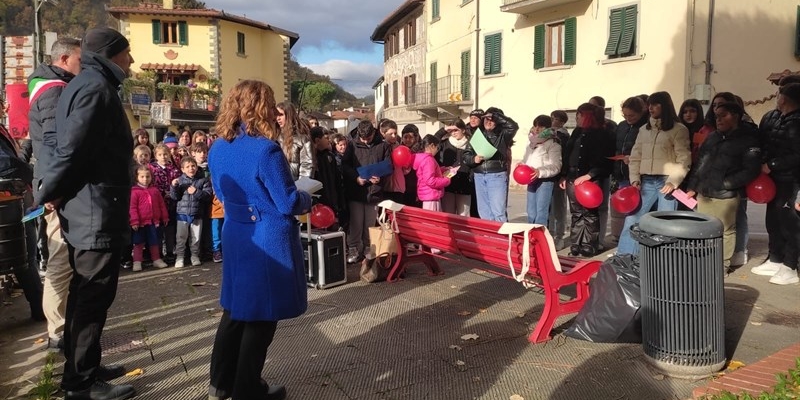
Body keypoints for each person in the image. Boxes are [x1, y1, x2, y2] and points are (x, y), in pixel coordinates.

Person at [35, 27, 136, 399]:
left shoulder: (85, 83)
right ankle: (81, 384)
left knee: (85, 295)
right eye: (127, 54)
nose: (132, 61)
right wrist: (50, 192)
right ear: (111, 54)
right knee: (91, 298)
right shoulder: (95, 88)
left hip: (90, 208)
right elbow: (74, 151)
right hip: (95, 210)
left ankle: (86, 367)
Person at [207, 79, 311, 400]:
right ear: (261, 108)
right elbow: (288, 202)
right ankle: (247, 389)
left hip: (237, 234)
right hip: (268, 240)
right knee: (262, 318)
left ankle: (219, 384)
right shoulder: (265, 150)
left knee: (235, 311)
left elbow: (222, 193)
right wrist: (308, 197)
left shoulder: (218, 146)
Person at [27, 37, 81, 349]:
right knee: (61, 260)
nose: (82, 65)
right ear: (63, 59)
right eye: (78, 59)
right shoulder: (54, 90)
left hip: (53, 185)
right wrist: (55, 188)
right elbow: (54, 143)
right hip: (56, 190)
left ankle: (62, 328)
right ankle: (58, 332)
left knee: (62, 259)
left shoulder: (49, 85)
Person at [685, 102, 761, 271]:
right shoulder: (712, 137)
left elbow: (750, 170)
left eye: (723, 115)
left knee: (725, 230)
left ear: (736, 116)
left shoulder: (747, 139)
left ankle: (722, 265)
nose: (719, 120)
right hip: (705, 192)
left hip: (726, 194)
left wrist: (726, 184)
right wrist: (693, 186)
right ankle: (703, 263)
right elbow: (700, 164)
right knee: (704, 229)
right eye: (717, 116)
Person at [617, 91, 691, 255]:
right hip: (646, 182)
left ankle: (663, 259)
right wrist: (634, 179)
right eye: (649, 104)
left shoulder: (679, 129)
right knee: (632, 218)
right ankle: (624, 258)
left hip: (666, 183)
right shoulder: (644, 129)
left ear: (665, 106)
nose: (651, 108)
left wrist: (673, 181)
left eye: (655, 104)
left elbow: (684, 158)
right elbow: (636, 156)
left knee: (665, 223)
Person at [751, 82, 800, 285]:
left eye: (778, 94)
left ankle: (790, 266)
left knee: (791, 224)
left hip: (792, 180)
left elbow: (797, 154)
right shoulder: (775, 117)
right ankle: (775, 258)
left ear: (785, 98)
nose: (776, 96)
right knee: (773, 221)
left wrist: (772, 164)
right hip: (774, 180)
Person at [1, 95, 44, 324]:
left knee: (27, 254)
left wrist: (26, 145)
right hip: (9, 203)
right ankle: (39, 307)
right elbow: (6, 164)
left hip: (17, 199)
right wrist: (32, 174)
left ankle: (39, 306)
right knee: (24, 254)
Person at [559, 103, 614, 256]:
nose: (577, 117)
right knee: (576, 213)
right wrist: (564, 175)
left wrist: (589, 175)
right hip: (572, 177)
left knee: (590, 213)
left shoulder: (602, 133)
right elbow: (568, 155)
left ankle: (589, 244)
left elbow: (605, 160)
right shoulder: (576, 132)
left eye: (580, 115)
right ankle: (576, 243)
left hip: (590, 178)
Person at [341, 121, 392, 266]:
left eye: (368, 139)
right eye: (362, 138)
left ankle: (368, 247)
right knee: (356, 223)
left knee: (370, 223)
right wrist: (356, 178)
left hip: (374, 192)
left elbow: (388, 165)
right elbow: (345, 165)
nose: (365, 141)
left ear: (373, 133)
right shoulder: (351, 144)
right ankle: (354, 248)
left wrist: (380, 177)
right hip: (356, 190)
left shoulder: (383, 145)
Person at [463, 107, 519, 222]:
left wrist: (495, 116)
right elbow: (466, 155)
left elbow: (513, 126)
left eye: (491, 119)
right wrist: (474, 159)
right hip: (479, 175)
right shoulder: (477, 135)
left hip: (496, 175)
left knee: (498, 212)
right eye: (486, 119)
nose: (488, 122)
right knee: (484, 212)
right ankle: (489, 238)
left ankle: (501, 239)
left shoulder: (503, 135)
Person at [170, 156, 212, 268]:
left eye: (193, 166)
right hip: (182, 214)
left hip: (197, 214)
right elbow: (174, 197)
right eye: (187, 167)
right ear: (183, 169)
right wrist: (173, 187)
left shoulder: (203, 180)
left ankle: (195, 256)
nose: (191, 168)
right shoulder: (180, 181)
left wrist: (196, 192)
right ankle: (180, 257)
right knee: (181, 237)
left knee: (196, 237)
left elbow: (207, 195)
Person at [520, 118, 562, 225]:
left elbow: (556, 166)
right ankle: (531, 237)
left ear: (548, 128)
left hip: (545, 181)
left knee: (541, 214)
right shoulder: (531, 144)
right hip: (531, 180)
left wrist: (539, 172)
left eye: (541, 126)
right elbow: (526, 160)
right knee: (531, 213)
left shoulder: (553, 144)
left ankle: (540, 239)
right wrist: (522, 164)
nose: (537, 129)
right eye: (535, 126)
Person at [129, 166, 169, 271]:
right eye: (142, 177)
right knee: (138, 243)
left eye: (147, 176)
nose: (145, 179)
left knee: (154, 241)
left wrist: (164, 217)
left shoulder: (154, 190)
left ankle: (156, 259)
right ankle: (137, 261)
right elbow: (132, 208)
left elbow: (161, 204)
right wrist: (134, 221)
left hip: (153, 221)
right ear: (137, 177)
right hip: (140, 223)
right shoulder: (134, 191)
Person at [149, 144, 180, 264]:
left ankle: (170, 252)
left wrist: (172, 191)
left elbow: (178, 182)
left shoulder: (174, 169)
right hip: (157, 204)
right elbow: (151, 184)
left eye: (165, 154)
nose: (163, 157)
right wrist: (162, 193)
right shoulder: (152, 168)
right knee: (158, 229)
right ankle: (158, 253)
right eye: (160, 154)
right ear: (156, 156)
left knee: (170, 230)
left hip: (172, 204)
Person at [310, 126, 345, 229]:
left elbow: (337, 181)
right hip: (318, 203)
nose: (328, 140)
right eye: (326, 138)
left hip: (331, 201)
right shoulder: (311, 159)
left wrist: (339, 202)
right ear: (317, 140)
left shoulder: (329, 156)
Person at [437, 119, 472, 216]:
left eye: (456, 130)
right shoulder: (445, 143)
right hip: (449, 184)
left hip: (465, 184)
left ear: (463, 130)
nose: (453, 133)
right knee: (448, 214)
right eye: (451, 131)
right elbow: (433, 140)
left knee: (464, 215)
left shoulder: (470, 143)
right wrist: (444, 130)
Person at [548, 110, 570, 248]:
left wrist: (564, 175)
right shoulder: (546, 134)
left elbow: (566, 157)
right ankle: (549, 234)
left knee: (559, 208)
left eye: (555, 119)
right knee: (548, 208)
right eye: (551, 118)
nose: (552, 121)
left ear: (562, 122)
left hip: (558, 175)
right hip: (546, 174)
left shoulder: (564, 136)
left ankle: (559, 236)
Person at [412, 135, 451, 212]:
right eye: (437, 148)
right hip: (431, 195)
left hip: (428, 195)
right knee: (433, 221)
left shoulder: (424, 158)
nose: (437, 151)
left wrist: (442, 169)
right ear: (432, 146)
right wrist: (446, 180)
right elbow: (430, 180)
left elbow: (429, 172)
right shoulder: (429, 160)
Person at [276, 102, 313, 181]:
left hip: (295, 185)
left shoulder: (302, 139)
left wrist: (302, 188)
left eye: (281, 115)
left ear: (289, 115)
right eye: (276, 115)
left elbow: (307, 166)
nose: (278, 118)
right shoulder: (273, 137)